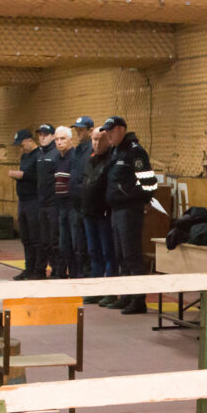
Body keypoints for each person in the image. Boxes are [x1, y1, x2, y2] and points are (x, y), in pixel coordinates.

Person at [102, 115, 158, 314]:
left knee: (132, 255)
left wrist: (131, 198)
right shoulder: (116, 151)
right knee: (121, 256)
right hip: (117, 210)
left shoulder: (135, 151)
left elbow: (149, 184)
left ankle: (138, 300)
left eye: (111, 131)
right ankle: (126, 296)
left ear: (121, 129)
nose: (108, 135)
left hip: (129, 211)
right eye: (107, 131)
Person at [81, 127, 118, 305]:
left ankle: (110, 291)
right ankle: (96, 289)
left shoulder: (112, 160)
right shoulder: (91, 159)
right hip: (89, 213)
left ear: (108, 140)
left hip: (104, 214)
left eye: (100, 140)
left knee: (108, 253)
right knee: (94, 252)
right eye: (94, 140)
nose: (96, 143)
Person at [8, 129, 44, 279]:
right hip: (23, 201)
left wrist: (23, 175)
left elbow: (39, 177)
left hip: (34, 200)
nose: (21, 149)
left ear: (30, 140)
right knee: (25, 237)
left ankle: (39, 269)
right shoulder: (25, 156)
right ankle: (28, 268)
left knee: (36, 237)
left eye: (22, 145)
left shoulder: (39, 155)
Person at [35, 123, 63, 278]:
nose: (42, 137)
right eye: (40, 135)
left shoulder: (56, 154)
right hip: (42, 203)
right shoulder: (39, 154)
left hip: (53, 204)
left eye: (45, 135)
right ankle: (47, 268)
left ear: (52, 136)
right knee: (44, 239)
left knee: (54, 239)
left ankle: (58, 270)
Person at [68, 116, 95, 277]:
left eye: (81, 129)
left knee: (88, 245)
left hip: (87, 205)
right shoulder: (77, 150)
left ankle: (88, 276)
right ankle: (79, 275)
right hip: (75, 205)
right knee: (78, 245)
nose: (78, 132)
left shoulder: (92, 150)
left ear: (90, 131)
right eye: (76, 129)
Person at [53, 126, 78, 278]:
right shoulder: (57, 158)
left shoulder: (74, 157)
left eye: (62, 139)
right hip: (61, 205)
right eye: (56, 139)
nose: (59, 142)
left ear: (70, 140)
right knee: (64, 244)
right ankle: (69, 273)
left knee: (75, 243)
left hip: (72, 205)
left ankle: (76, 274)